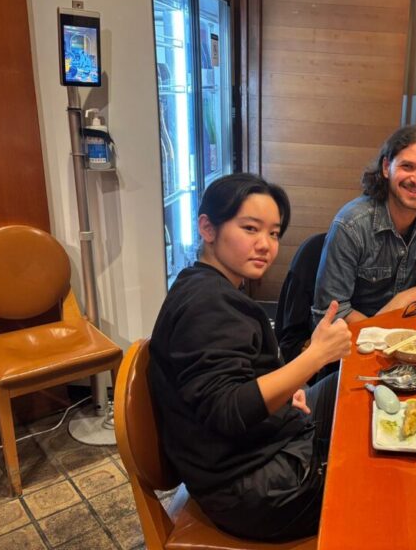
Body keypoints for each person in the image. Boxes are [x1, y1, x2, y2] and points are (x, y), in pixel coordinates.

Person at [148, 173, 352, 542]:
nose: (265, 245)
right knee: (376, 476)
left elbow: (232, 377)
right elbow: (226, 409)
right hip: (254, 488)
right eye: (250, 228)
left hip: (257, 448)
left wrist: (285, 391)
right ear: (208, 228)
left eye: (274, 233)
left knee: (349, 387)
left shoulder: (202, 284)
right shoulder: (209, 304)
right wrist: (315, 356)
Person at [313, 124, 416, 324]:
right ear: (386, 167)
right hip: (361, 334)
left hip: (414, 328)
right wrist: (383, 331)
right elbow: (331, 312)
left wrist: (404, 298)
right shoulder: (351, 224)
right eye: (407, 166)